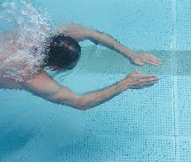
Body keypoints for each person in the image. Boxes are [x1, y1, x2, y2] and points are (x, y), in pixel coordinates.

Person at [0, 24, 161, 110]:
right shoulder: (31, 77)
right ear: (55, 68)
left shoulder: (45, 33)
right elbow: (80, 102)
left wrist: (130, 53)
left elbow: (93, 34)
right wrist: (125, 84)